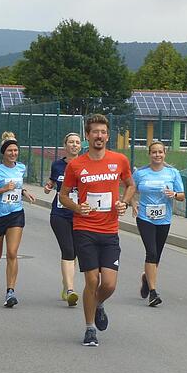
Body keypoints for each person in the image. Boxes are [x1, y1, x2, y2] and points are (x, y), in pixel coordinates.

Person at [59, 114, 135, 347]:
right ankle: (89, 328)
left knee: (109, 284)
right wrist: (77, 207)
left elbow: (130, 185)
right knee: (92, 281)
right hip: (85, 229)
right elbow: (63, 195)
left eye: (103, 132)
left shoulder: (119, 160)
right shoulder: (76, 164)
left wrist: (124, 201)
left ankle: (98, 303)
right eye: (95, 132)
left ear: (108, 135)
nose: (99, 136)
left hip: (110, 230)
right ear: (87, 135)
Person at [0, 132, 36, 308]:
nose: (13, 153)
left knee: (12, 253)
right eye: (10, 150)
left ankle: (10, 292)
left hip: (15, 214)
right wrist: (3, 189)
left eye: (16, 150)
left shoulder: (21, 168)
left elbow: (18, 186)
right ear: (3, 152)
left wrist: (24, 192)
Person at [131, 141, 185, 307]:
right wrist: (133, 203)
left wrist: (174, 193)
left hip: (164, 219)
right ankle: (153, 293)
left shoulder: (172, 173)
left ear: (164, 154)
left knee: (157, 256)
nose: (157, 155)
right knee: (151, 253)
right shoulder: (140, 173)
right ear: (149, 154)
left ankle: (146, 278)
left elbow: (182, 195)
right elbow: (129, 189)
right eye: (154, 152)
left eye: (160, 152)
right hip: (145, 217)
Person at [43, 132, 82, 307]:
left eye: (77, 142)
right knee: (68, 250)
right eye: (71, 142)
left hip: (80, 214)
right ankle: (70, 290)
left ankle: (67, 283)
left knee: (73, 252)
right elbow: (53, 181)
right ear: (65, 145)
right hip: (59, 214)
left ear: (81, 146)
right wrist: (49, 186)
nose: (74, 145)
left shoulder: (87, 164)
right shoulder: (57, 165)